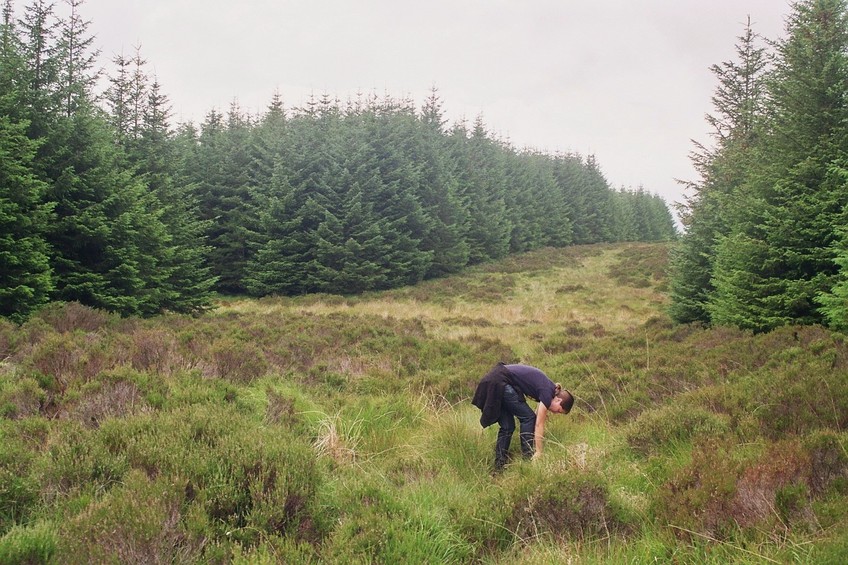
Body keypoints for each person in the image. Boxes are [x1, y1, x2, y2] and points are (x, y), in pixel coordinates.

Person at [471, 362, 574, 471]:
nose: (554, 412)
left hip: (495, 381)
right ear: (558, 400)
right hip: (499, 382)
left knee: (508, 427)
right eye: (558, 410)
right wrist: (539, 452)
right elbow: (538, 424)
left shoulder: (548, 390)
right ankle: (528, 458)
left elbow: (538, 416)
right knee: (528, 418)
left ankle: (499, 467)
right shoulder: (547, 392)